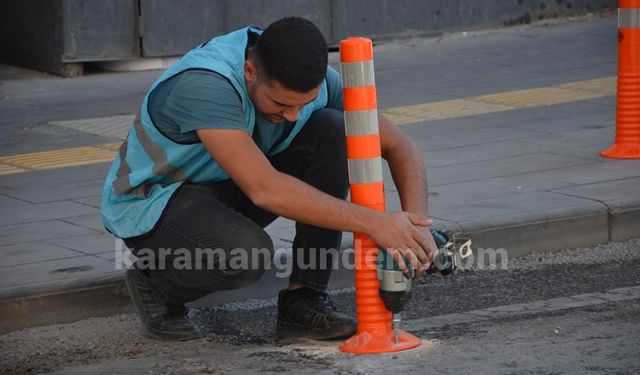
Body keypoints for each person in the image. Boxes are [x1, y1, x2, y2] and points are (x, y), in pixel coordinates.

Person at [101, 17, 438, 341]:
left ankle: (303, 301)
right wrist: (377, 223)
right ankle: (155, 283)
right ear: (250, 71)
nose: (291, 116)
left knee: (334, 129)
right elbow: (264, 189)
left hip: (227, 187)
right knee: (245, 254)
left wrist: (418, 228)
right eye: (280, 103)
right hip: (158, 204)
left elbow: (399, 145)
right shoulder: (206, 85)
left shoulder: (318, 82)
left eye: (301, 104)